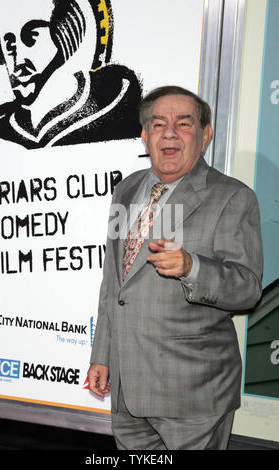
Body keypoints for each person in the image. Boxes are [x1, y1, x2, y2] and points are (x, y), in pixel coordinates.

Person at [88, 85, 263, 450]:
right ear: (144, 135)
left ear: (205, 135)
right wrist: (102, 356)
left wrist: (191, 267)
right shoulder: (126, 190)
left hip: (192, 394)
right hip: (127, 391)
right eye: (158, 124)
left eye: (183, 124)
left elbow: (247, 288)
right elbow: (113, 283)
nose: (169, 133)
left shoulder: (232, 196)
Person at [0, 0, 141, 153]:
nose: (18, 61)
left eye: (31, 39)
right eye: (10, 46)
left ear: (66, 35)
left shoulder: (112, 102)